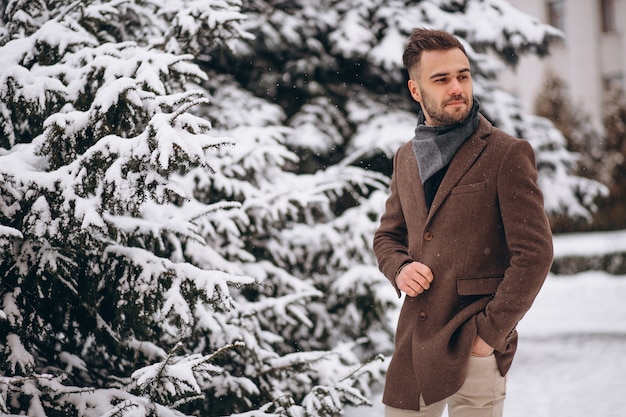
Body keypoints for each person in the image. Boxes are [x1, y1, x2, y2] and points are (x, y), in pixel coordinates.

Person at [373, 28, 554, 417]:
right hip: (414, 342)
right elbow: (388, 236)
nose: (457, 87)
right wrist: (400, 268)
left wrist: (489, 334)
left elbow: (535, 253)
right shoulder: (406, 158)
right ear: (416, 91)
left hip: (475, 342)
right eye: (441, 79)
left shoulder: (506, 153)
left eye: (463, 75)